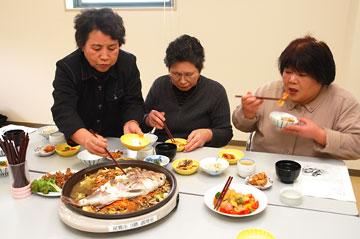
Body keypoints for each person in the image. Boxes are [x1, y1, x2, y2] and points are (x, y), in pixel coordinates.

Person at [232, 36, 360, 160]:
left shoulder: (343, 102)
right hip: (264, 172)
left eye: (302, 74)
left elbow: (357, 146)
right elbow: (241, 125)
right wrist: (247, 113)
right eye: (288, 72)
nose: (292, 80)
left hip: (315, 175)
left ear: (321, 77)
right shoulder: (269, 91)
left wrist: (320, 135)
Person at [51, 8, 144, 156]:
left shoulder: (128, 63)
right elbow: (63, 109)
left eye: (112, 48)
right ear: (82, 46)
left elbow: (133, 101)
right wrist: (85, 138)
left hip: (118, 145)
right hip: (81, 146)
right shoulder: (67, 68)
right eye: (96, 48)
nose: (105, 56)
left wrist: (132, 121)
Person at [143, 34, 233, 152]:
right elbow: (140, 122)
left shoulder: (215, 91)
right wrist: (148, 120)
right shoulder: (159, 85)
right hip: (164, 152)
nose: (182, 81)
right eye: (176, 74)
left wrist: (208, 134)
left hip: (199, 152)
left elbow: (226, 133)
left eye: (189, 74)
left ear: (200, 70)